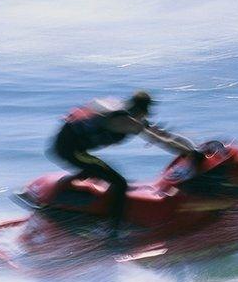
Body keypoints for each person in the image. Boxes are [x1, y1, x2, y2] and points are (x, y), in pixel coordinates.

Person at [49, 91, 199, 248]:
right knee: (120, 183)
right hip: (69, 150)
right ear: (142, 110)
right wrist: (189, 153)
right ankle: (112, 234)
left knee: (101, 173)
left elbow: (165, 134)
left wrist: (193, 148)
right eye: (147, 112)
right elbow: (161, 140)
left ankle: (95, 213)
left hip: (69, 144)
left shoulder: (122, 109)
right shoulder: (125, 120)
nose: (147, 115)